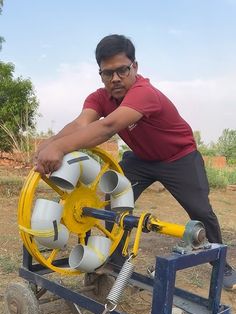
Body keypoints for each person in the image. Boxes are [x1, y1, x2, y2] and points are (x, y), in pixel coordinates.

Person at [35, 34, 236, 291]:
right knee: (114, 201)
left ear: (135, 67)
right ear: (100, 74)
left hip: (179, 157)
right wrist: (49, 144)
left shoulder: (144, 93)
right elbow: (80, 124)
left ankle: (222, 266)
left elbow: (108, 126)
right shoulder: (99, 97)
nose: (115, 78)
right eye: (108, 73)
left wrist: (59, 147)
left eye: (122, 70)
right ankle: (116, 262)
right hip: (142, 159)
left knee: (201, 212)